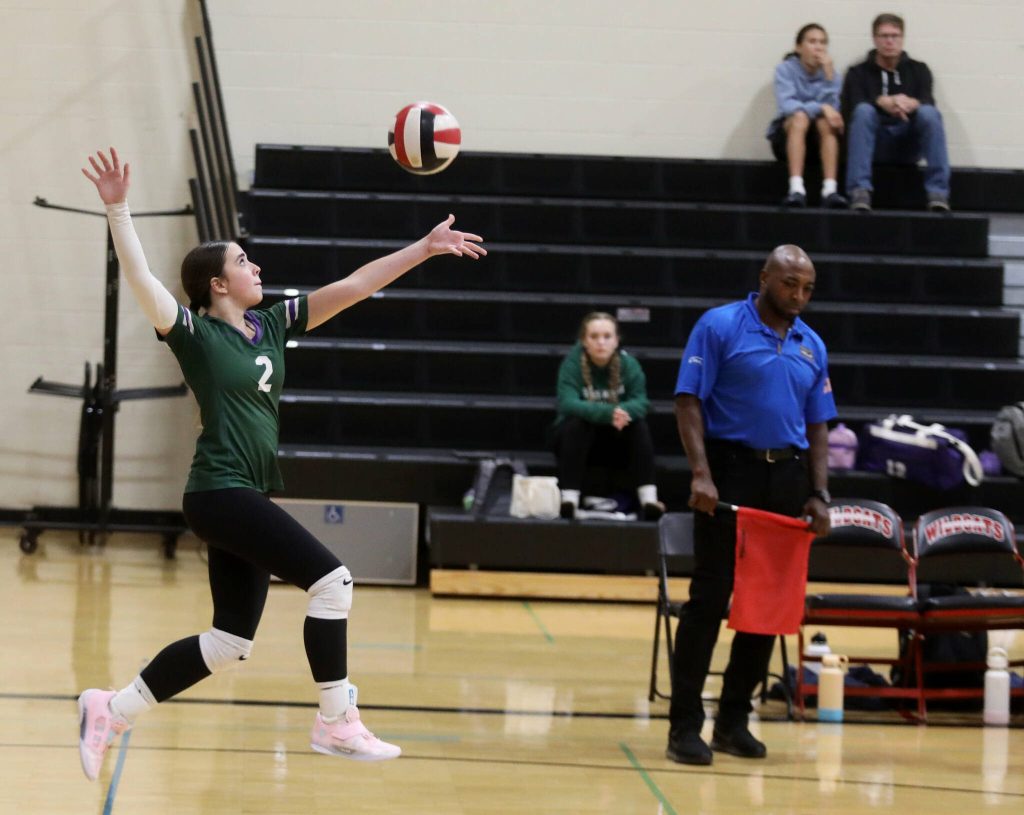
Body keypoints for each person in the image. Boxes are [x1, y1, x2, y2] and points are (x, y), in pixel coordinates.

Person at [75, 148, 485, 780]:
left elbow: (352, 288)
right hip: (219, 490)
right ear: (217, 284)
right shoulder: (191, 332)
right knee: (333, 582)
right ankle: (336, 720)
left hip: (243, 494)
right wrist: (117, 208)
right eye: (242, 261)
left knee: (228, 643)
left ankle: (113, 707)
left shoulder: (271, 324)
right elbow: (140, 277)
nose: (255, 264)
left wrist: (423, 249)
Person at [665, 245, 835, 765]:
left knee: (767, 605)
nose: (798, 296)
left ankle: (733, 721)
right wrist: (701, 473)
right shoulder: (719, 327)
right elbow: (688, 399)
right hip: (728, 469)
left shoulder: (812, 344)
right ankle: (684, 727)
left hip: (786, 475)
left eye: (807, 288)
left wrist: (819, 491)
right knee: (710, 600)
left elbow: (818, 423)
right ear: (765, 277)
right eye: (789, 284)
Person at [551, 312, 664, 521]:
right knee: (576, 424)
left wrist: (622, 413)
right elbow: (567, 403)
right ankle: (569, 499)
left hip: (615, 439)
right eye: (594, 336)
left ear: (616, 340)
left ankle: (649, 500)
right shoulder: (572, 364)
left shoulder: (629, 365)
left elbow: (641, 402)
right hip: (579, 439)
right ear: (584, 340)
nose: (601, 342)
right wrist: (609, 413)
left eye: (607, 336)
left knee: (638, 425)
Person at [842, 13, 951, 212]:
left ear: (902, 38)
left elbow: (927, 99)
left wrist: (910, 104)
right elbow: (852, 107)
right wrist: (882, 102)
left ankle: (938, 192)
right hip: (874, 143)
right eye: (884, 36)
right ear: (875, 39)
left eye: (895, 36)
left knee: (929, 113)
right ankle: (859, 190)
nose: (890, 41)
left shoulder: (919, 70)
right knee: (864, 111)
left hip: (907, 142)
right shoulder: (857, 73)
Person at [766, 23, 847, 208]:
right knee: (800, 117)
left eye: (822, 42)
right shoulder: (785, 70)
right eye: (812, 41)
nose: (818, 47)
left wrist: (828, 79)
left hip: (819, 139)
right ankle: (796, 189)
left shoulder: (832, 74)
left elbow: (833, 110)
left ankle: (830, 189)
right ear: (798, 47)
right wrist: (820, 107)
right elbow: (787, 106)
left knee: (826, 122)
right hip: (787, 137)